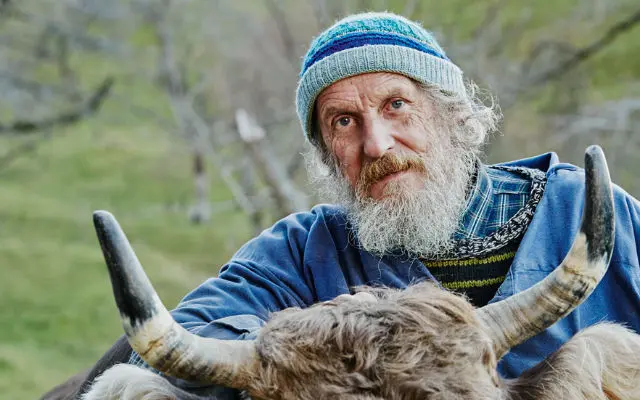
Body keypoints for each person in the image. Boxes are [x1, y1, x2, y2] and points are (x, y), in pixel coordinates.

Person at [68, 11, 640, 399]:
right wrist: (310, 355)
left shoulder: (590, 216)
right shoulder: (300, 252)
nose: (377, 144)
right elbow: (176, 342)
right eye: (343, 122)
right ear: (326, 155)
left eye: (396, 106)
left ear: (453, 113)